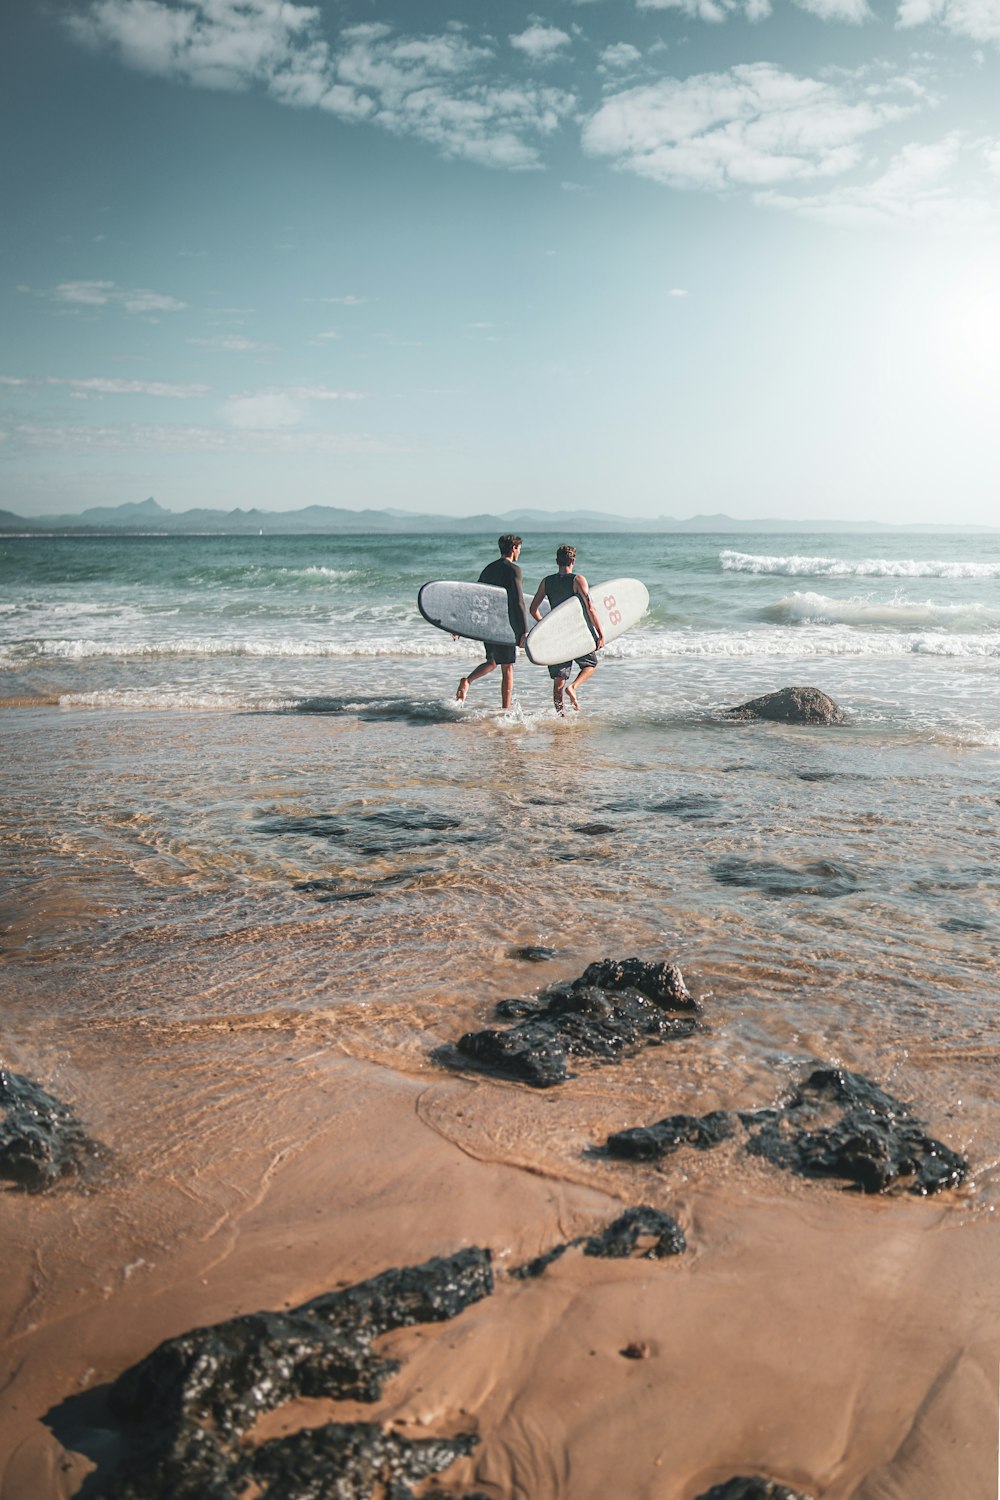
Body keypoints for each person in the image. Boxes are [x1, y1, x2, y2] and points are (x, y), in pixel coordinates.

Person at [456, 535, 530, 710]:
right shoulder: (514, 570)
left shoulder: (489, 569)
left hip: (488, 624)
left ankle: (467, 681)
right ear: (513, 548)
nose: (519, 552)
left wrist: (459, 624)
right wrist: (524, 630)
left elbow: (474, 597)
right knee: (507, 668)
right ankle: (506, 709)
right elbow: (518, 601)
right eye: (519, 548)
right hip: (503, 624)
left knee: (492, 662)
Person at [529, 544, 605, 714]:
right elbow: (590, 607)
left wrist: (545, 626)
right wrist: (600, 633)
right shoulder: (577, 580)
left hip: (556, 635)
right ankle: (574, 687)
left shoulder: (546, 581)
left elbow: (533, 609)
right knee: (591, 664)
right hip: (575, 633)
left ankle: (560, 716)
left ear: (557, 561)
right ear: (573, 560)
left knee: (558, 681)